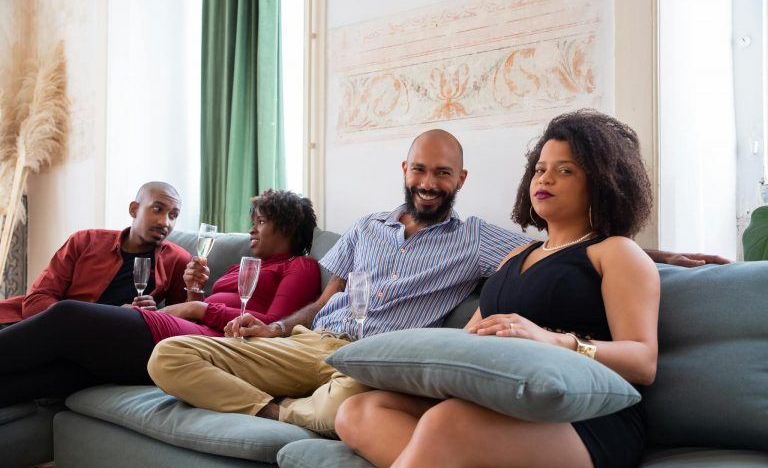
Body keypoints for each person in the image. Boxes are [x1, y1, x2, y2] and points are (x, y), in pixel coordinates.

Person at [146, 128, 721, 438]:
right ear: (405, 170)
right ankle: (279, 410)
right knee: (169, 356)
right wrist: (274, 329)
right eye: (420, 169)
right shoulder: (373, 228)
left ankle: (302, 409)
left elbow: (585, 254)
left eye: (442, 173)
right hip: (311, 344)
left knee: (353, 408)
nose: (428, 182)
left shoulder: (481, 240)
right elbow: (326, 300)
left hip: (375, 358)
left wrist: (659, 251)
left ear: (460, 179)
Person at [335, 110, 660, 467]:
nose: (546, 178)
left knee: (447, 423)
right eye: (540, 169)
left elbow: (643, 361)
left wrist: (556, 340)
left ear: (600, 181)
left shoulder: (615, 253)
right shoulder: (516, 256)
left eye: (564, 170)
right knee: (359, 410)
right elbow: (473, 336)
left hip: (589, 419)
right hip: (505, 402)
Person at [0, 190, 320, 408]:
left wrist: (198, 305)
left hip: (214, 343)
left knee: (69, 315)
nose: (252, 230)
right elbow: (207, 309)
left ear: (288, 227)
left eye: (261, 222)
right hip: (188, 329)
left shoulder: (300, 266)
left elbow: (272, 328)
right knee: (68, 375)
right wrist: (195, 293)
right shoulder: (243, 265)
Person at [0, 181, 190, 324]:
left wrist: (154, 315)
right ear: (134, 209)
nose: (165, 222)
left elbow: (183, 325)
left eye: (173, 215)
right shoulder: (84, 241)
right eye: (157, 209)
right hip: (48, 325)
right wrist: (109, 313)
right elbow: (36, 301)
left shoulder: (177, 260)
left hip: (105, 340)